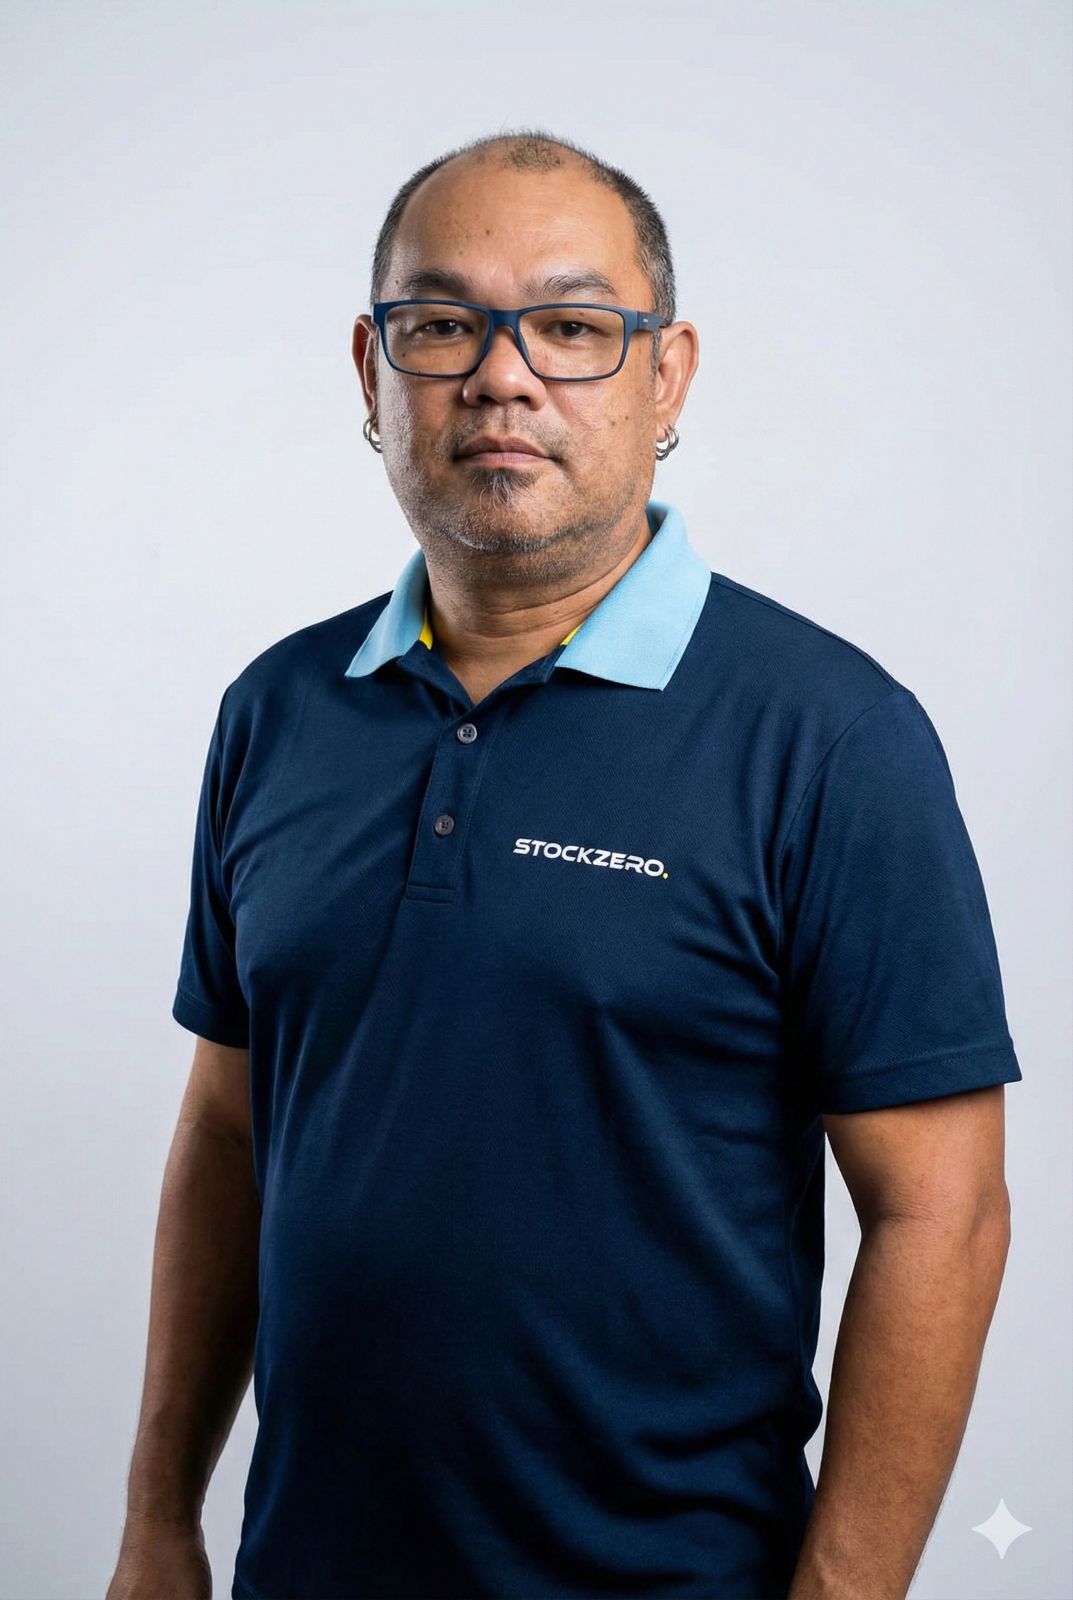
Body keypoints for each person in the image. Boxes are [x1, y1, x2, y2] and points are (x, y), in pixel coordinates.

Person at [108, 128, 1022, 1600]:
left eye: (575, 327)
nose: (503, 376)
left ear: (669, 378)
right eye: (442, 324)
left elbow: (942, 1214)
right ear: (372, 371)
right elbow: (228, 1134)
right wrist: (158, 1522)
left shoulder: (830, 737)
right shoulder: (276, 712)